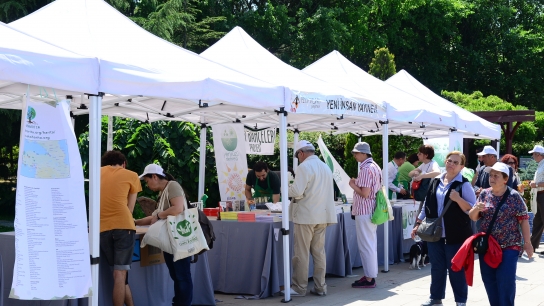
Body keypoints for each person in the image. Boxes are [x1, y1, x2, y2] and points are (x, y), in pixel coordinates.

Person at [411, 151, 476, 306]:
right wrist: (418, 223)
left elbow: (473, 209)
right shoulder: (435, 181)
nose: (451, 164)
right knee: (437, 268)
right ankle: (436, 298)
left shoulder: (464, 184)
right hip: (435, 234)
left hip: (456, 235)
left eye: (455, 162)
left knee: (456, 269)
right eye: (449, 161)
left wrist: (458, 199)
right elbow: (427, 204)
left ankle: (460, 301)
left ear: (461, 166)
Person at [468, 162, 532, 306]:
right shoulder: (484, 194)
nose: (492, 178)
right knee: (489, 279)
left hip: (509, 246)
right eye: (491, 175)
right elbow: (473, 217)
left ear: (505, 179)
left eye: (496, 175)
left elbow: (524, 220)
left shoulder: (514, 196)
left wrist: (527, 243)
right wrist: (476, 208)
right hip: (487, 246)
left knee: (505, 280)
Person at [284, 140, 336, 297]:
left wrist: (285, 188)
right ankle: (320, 286)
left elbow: (297, 191)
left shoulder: (304, 167)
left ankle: (300, 287)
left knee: (301, 253)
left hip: (306, 216)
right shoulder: (325, 167)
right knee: (319, 253)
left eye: (297, 156)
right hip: (322, 215)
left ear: (301, 153)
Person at [135, 164, 193, 306]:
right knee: (177, 276)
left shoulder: (172, 186)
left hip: (180, 238)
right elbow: (153, 217)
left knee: (182, 276)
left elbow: (178, 208)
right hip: (170, 240)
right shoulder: (162, 193)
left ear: (154, 177)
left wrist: (160, 214)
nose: (147, 185)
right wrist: (134, 222)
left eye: (147, 181)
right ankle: (178, 302)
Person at [100, 151, 142, 306]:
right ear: (123, 163)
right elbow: (129, 210)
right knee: (120, 273)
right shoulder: (131, 175)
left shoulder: (96, 174)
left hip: (102, 228)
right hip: (124, 227)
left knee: (118, 275)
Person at [349, 142, 382, 289]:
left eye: (356, 153)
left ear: (364, 153)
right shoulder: (374, 166)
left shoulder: (366, 168)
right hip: (371, 210)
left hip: (364, 210)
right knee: (370, 245)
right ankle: (370, 275)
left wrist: (352, 185)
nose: (354, 155)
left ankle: (369, 278)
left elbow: (364, 193)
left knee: (366, 246)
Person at [529, 145, 544, 254]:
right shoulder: (541, 165)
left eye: (534, 154)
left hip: (542, 194)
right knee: (538, 220)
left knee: (539, 220)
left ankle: (532, 245)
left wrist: (536, 184)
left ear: (538, 155)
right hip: (540, 195)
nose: (533, 156)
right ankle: (532, 245)